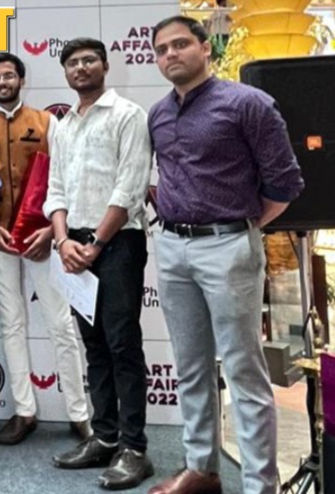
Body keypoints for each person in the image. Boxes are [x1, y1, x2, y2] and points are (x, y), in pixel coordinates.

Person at [147, 16, 303, 494]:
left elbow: (285, 183)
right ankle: (201, 469)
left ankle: (260, 485)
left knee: (243, 371)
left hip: (228, 246)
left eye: (180, 44)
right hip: (172, 247)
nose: (170, 55)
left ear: (205, 48)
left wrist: (241, 228)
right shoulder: (158, 114)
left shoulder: (247, 103)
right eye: (161, 49)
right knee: (190, 366)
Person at [0, 52, 91, 445]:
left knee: (61, 324)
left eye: (8, 75)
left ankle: (80, 414)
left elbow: (66, 179)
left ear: (21, 79)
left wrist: (53, 232)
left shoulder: (48, 122)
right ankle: (24, 411)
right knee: (12, 323)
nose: (2, 82)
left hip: (43, 240)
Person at [43, 38, 154, 490]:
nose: (81, 67)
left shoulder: (128, 115)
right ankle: (104, 437)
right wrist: (63, 240)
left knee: (122, 344)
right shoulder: (63, 124)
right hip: (74, 244)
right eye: (72, 62)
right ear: (65, 72)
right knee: (94, 346)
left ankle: (134, 448)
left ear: (105, 66)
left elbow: (131, 186)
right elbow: (55, 189)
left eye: (89, 60)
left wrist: (96, 243)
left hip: (118, 242)